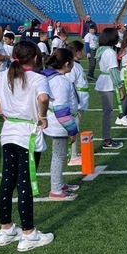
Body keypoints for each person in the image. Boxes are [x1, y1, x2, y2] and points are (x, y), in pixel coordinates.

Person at [0, 40, 54, 251]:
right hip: (28, 136)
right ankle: (29, 233)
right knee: (25, 183)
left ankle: (5, 229)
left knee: (7, 182)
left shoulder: (4, 76)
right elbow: (43, 98)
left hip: (8, 135)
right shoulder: (36, 78)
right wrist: (42, 115)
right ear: (35, 58)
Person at [42, 49, 80, 200]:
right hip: (59, 124)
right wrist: (72, 130)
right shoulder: (61, 81)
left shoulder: (50, 77)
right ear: (66, 63)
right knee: (58, 156)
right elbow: (61, 109)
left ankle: (59, 183)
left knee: (59, 155)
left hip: (55, 122)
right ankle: (56, 190)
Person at [94, 27, 124, 149]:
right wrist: (120, 87)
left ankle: (107, 138)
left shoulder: (102, 50)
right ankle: (107, 139)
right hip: (107, 83)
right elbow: (114, 71)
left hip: (103, 81)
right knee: (107, 112)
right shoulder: (109, 52)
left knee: (107, 112)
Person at [65, 40, 89, 166]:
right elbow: (70, 85)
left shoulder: (76, 65)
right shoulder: (73, 66)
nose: (85, 53)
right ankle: (72, 156)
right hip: (77, 103)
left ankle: (74, 152)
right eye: (83, 50)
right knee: (74, 128)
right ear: (78, 52)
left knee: (76, 127)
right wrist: (76, 102)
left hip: (80, 101)